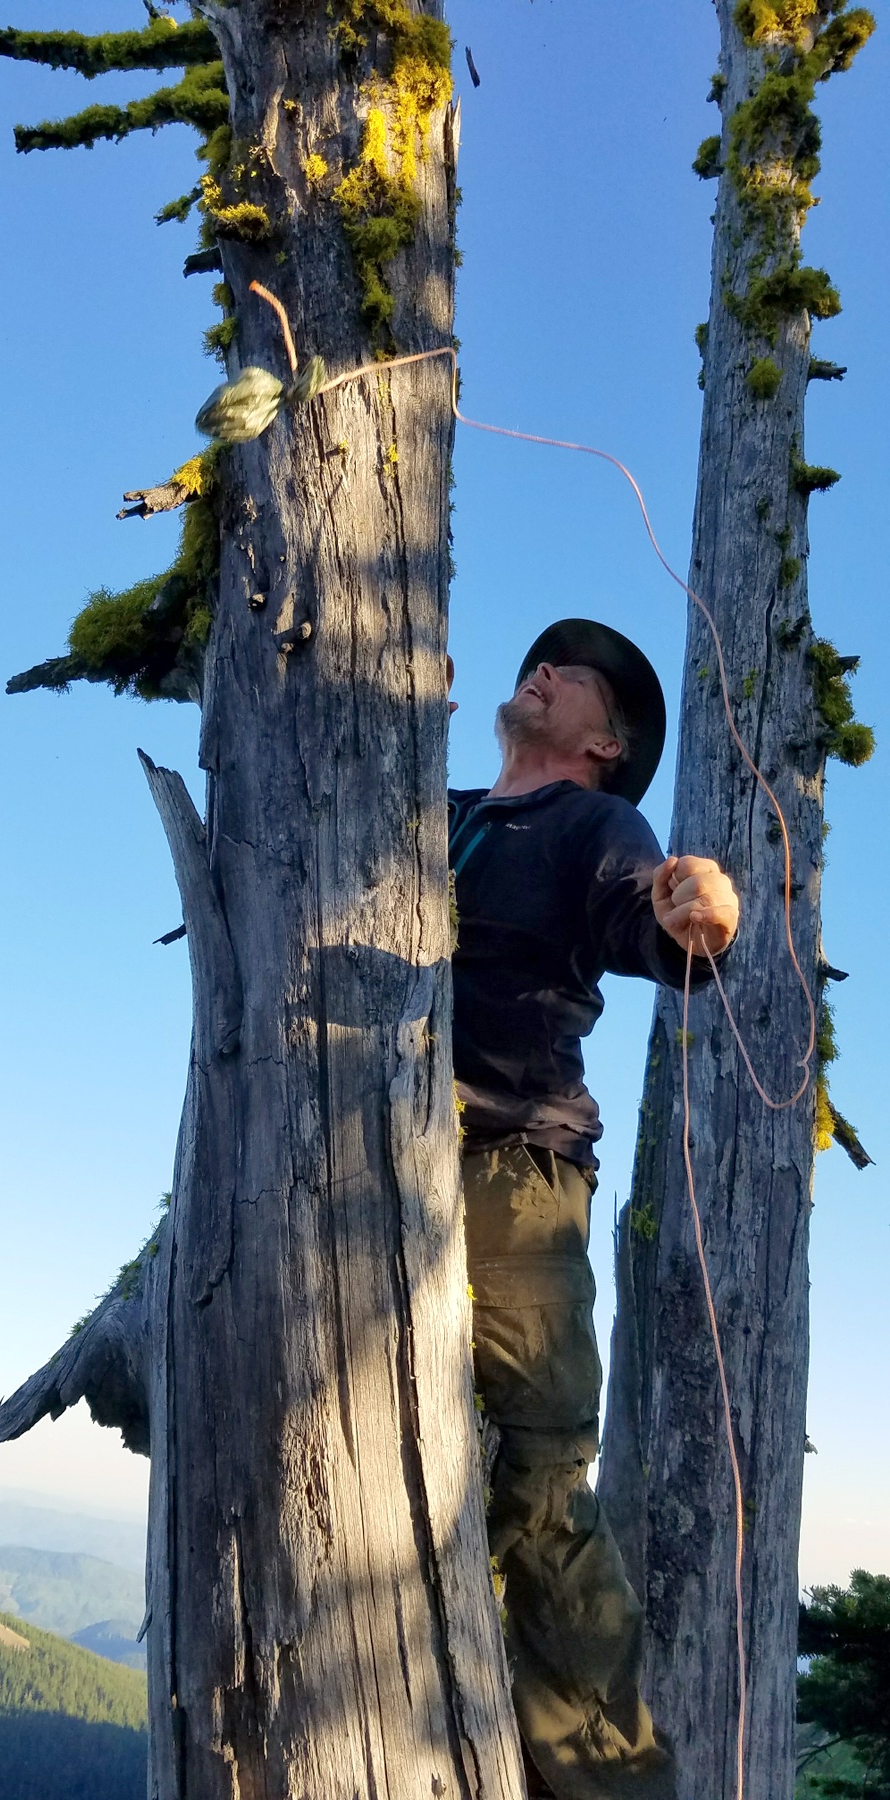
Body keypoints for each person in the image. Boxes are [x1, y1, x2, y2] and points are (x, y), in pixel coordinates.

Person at [448, 619, 739, 1800]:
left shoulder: (597, 825)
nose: (548, 666)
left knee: (536, 1486)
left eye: (578, 676)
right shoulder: (442, 803)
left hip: (510, 1169)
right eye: (547, 657)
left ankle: (610, 1785)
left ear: (605, 744)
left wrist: (689, 915)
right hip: (354, 1157)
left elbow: (645, 918)